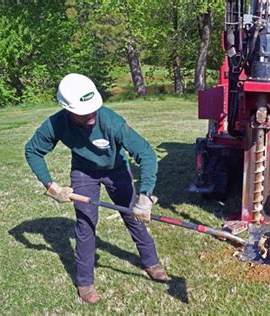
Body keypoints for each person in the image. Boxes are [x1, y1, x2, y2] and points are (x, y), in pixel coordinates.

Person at [25, 73, 167, 304]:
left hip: (117, 170)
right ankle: (84, 282)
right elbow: (33, 150)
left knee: (134, 217)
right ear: (68, 109)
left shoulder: (112, 122)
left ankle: (151, 262)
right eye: (83, 112)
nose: (91, 115)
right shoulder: (56, 124)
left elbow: (147, 154)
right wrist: (51, 186)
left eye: (93, 109)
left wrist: (145, 194)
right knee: (85, 225)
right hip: (84, 173)